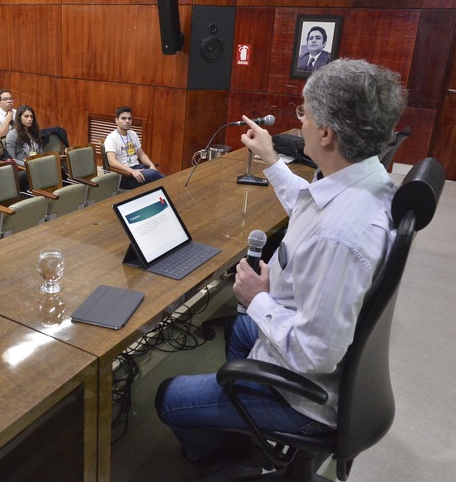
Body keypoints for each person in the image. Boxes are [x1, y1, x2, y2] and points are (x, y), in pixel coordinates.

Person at [155, 59, 407, 465]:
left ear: (326, 134)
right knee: (240, 330)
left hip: (308, 398)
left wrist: (256, 298)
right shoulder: (366, 180)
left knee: (168, 398)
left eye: (304, 114)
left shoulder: (340, 238)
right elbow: (311, 207)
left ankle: (221, 457)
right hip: (321, 362)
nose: (299, 122)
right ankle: (241, 421)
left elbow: (314, 354)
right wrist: (271, 161)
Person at [104, 106, 164, 189]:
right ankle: (173, 186)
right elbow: (112, 162)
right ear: (116, 120)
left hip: (137, 168)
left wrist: (151, 165)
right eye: (123, 118)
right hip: (124, 174)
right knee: (154, 175)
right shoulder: (111, 138)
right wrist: (132, 171)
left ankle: (171, 187)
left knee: (154, 174)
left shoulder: (133, 134)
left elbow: (141, 154)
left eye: (129, 118)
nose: (127, 121)